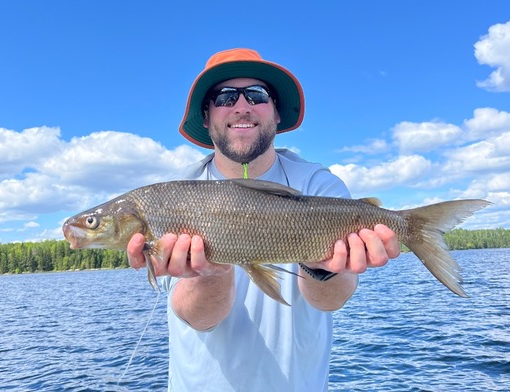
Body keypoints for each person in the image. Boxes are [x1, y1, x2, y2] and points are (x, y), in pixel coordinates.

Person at [127, 48, 400, 391]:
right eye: (225, 96)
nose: (242, 106)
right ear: (207, 116)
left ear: (275, 113)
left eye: (257, 95)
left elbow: (331, 300)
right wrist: (212, 274)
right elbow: (199, 318)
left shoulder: (318, 184)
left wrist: (322, 266)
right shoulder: (175, 197)